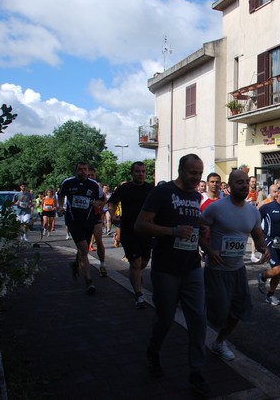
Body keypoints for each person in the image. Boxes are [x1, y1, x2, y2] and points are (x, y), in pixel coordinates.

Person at [134, 154, 210, 394]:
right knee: (165, 319)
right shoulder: (162, 192)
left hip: (191, 266)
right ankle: (153, 351)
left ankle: (196, 372)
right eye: (192, 173)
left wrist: (202, 225)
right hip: (166, 268)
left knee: (198, 319)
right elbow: (141, 225)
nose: (197, 178)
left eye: (200, 173)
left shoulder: (196, 196)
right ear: (181, 170)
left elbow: (189, 221)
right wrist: (173, 231)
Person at [200, 169, 269, 362]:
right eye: (240, 182)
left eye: (246, 182)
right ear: (229, 186)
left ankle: (219, 343)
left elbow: (257, 234)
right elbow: (198, 229)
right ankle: (197, 335)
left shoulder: (252, 211)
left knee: (238, 310)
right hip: (216, 269)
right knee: (218, 313)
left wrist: (264, 248)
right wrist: (208, 249)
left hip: (238, 269)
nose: (245, 185)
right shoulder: (216, 208)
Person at [108, 161, 154, 308]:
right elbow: (112, 203)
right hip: (129, 230)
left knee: (144, 263)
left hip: (146, 231)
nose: (140, 174)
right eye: (137, 171)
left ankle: (134, 275)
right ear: (132, 173)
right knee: (135, 263)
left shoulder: (151, 189)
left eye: (143, 171)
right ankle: (138, 295)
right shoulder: (124, 188)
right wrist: (113, 214)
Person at [58, 162, 104, 294]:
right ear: (76, 170)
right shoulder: (68, 182)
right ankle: (89, 282)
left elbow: (102, 200)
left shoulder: (94, 185)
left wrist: (97, 203)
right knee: (84, 248)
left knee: (82, 249)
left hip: (88, 221)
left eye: (85, 169)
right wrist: (61, 206)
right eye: (80, 169)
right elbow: (61, 195)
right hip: (73, 220)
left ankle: (76, 264)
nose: (82, 172)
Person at [257, 185, 280, 305]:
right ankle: (262, 276)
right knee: (277, 269)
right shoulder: (267, 207)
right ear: (278, 193)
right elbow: (256, 223)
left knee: (279, 272)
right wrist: (260, 241)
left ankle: (271, 295)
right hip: (269, 240)